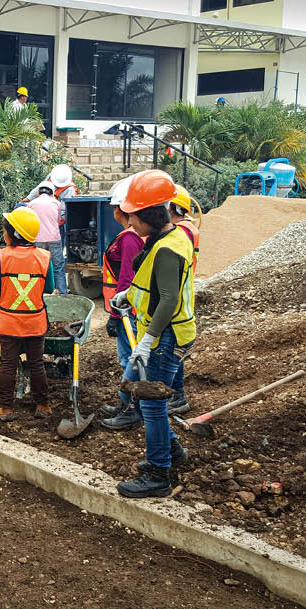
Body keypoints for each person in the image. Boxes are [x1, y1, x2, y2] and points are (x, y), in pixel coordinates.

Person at [107, 170, 195, 498]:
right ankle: (172, 452)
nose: (130, 224)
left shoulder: (168, 248)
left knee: (152, 405)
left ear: (149, 216)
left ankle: (158, 474)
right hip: (163, 334)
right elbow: (153, 287)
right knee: (150, 403)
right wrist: (128, 296)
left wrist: (146, 340)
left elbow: (170, 299)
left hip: (165, 336)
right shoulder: (162, 240)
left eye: (134, 218)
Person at [0, 208, 54, 421]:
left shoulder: (1, 257)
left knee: (8, 363)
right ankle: (42, 405)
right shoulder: (44, 258)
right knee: (36, 362)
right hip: (35, 322)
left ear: (14, 234)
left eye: (5, 229)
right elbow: (49, 288)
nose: (3, 232)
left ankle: (6, 408)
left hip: (8, 321)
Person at [99, 178, 147, 426]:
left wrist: (116, 315)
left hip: (128, 310)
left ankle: (131, 409)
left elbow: (127, 278)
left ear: (121, 210)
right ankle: (125, 403)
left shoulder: (130, 238)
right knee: (130, 358)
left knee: (131, 360)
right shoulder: (133, 235)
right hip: (129, 308)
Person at [164, 185, 200, 415]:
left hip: (176, 300)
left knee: (174, 354)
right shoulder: (188, 228)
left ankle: (177, 397)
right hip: (181, 293)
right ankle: (176, 396)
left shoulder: (181, 232)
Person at [24, 190, 68, 295]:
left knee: (38, 267)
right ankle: (62, 293)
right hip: (54, 238)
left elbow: (29, 220)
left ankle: (38, 293)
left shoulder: (31, 204)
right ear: (51, 193)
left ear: (39, 193)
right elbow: (59, 221)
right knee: (58, 266)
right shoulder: (56, 203)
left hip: (38, 239)